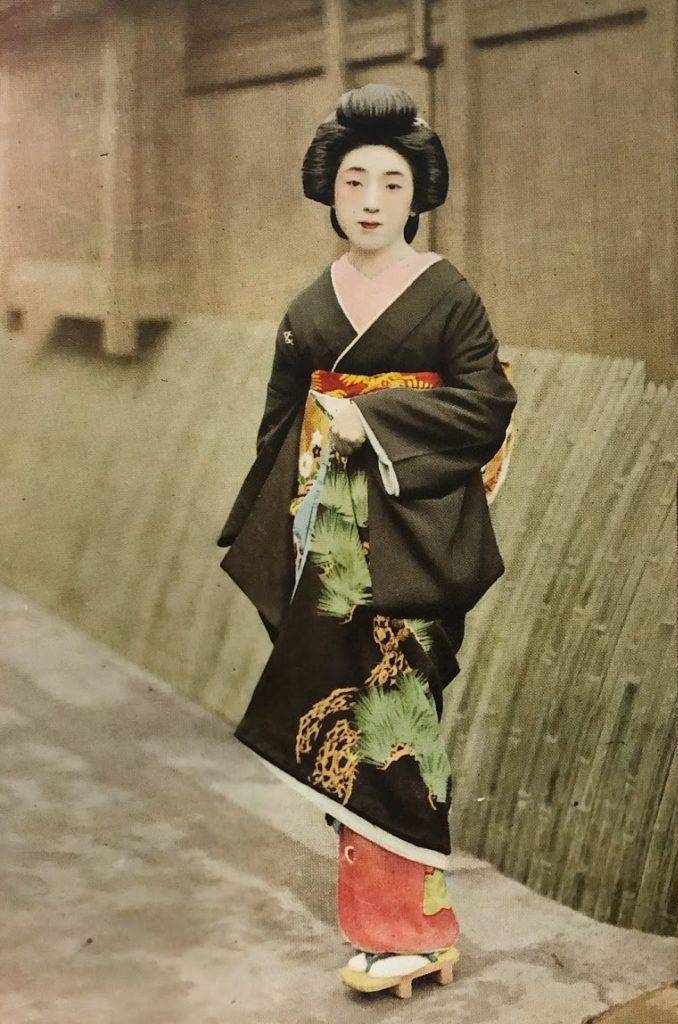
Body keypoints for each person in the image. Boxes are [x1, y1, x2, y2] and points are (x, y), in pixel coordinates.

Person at [216, 83, 517, 993]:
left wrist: (373, 420)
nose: (374, 199)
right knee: (341, 719)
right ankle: (381, 930)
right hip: (331, 547)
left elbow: (486, 403)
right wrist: (276, 533)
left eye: (392, 181)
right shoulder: (309, 306)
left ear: (417, 194)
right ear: (331, 193)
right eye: (356, 181)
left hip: (415, 533)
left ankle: (420, 930)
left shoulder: (447, 295)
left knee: (400, 722)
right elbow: (278, 428)